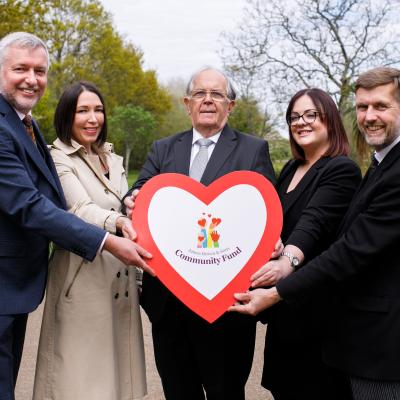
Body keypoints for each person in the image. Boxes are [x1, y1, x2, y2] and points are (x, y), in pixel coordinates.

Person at [230, 66, 400, 399]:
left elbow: (332, 235)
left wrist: (284, 271)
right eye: (363, 107)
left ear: (330, 120)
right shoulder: (376, 163)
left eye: (380, 106)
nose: (369, 115)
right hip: (308, 315)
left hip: (370, 332)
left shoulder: (347, 168)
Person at [0, 32, 152, 400]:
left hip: (16, 285)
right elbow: (31, 205)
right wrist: (108, 237)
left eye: (39, 70)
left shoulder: (26, 123)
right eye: (20, 69)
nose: (31, 79)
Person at [124, 67, 276, 400]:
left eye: (217, 94)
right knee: (178, 390)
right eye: (199, 94)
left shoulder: (253, 150)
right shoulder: (163, 148)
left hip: (226, 304)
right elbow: (141, 187)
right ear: (187, 103)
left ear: (230, 105)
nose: (207, 100)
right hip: (169, 299)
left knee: (225, 391)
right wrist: (132, 197)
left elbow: (266, 211)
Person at [32, 81, 146, 399]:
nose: (92, 118)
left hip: (120, 280)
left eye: (98, 110)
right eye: (82, 110)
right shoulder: (57, 159)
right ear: (67, 115)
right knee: (80, 381)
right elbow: (79, 208)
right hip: (81, 279)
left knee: (117, 379)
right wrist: (119, 220)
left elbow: (130, 212)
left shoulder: (114, 159)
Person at [248, 88, 361, 399]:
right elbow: (272, 223)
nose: (301, 122)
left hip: (318, 313)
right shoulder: (291, 169)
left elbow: (314, 222)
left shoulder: (341, 169)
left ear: (330, 120)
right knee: (285, 388)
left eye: (311, 114)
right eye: (294, 117)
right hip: (285, 308)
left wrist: (287, 262)